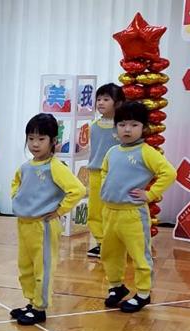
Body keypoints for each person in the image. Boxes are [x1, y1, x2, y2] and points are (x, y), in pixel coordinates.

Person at [99, 101, 175, 313]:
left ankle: (143, 293)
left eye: (134, 125)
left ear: (144, 128)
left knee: (139, 254)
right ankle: (116, 286)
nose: (127, 129)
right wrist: (105, 188)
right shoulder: (112, 151)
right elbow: (105, 171)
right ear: (116, 127)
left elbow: (169, 173)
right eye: (122, 124)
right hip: (110, 212)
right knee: (109, 253)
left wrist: (150, 194)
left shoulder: (146, 152)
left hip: (132, 215)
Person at [9, 114, 85, 325]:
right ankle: (31, 301)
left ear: (53, 141)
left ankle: (40, 307)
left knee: (42, 266)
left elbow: (77, 190)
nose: (35, 144)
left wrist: (60, 210)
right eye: (31, 138)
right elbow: (16, 183)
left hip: (43, 226)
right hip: (24, 223)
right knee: (25, 266)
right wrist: (16, 198)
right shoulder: (26, 167)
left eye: (41, 139)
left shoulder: (55, 167)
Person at [86, 83, 124, 258]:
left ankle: (118, 242)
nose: (101, 102)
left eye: (106, 99)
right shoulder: (93, 126)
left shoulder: (122, 127)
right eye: (99, 99)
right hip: (96, 173)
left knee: (115, 209)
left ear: (118, 103)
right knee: (95, 209)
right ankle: (101, 242)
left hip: (116, 175)